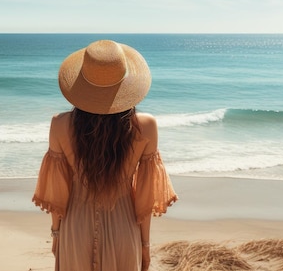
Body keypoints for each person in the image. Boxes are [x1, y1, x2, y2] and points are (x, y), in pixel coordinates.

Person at [33, 39, 178, 271]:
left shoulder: (60, 124)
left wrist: (57, 233)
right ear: (126, 84)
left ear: (81, 86)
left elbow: (58, 191)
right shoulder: (146, 125)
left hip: (75, 228)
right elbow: (144, 196)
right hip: (124, 226)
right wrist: (145, 244)